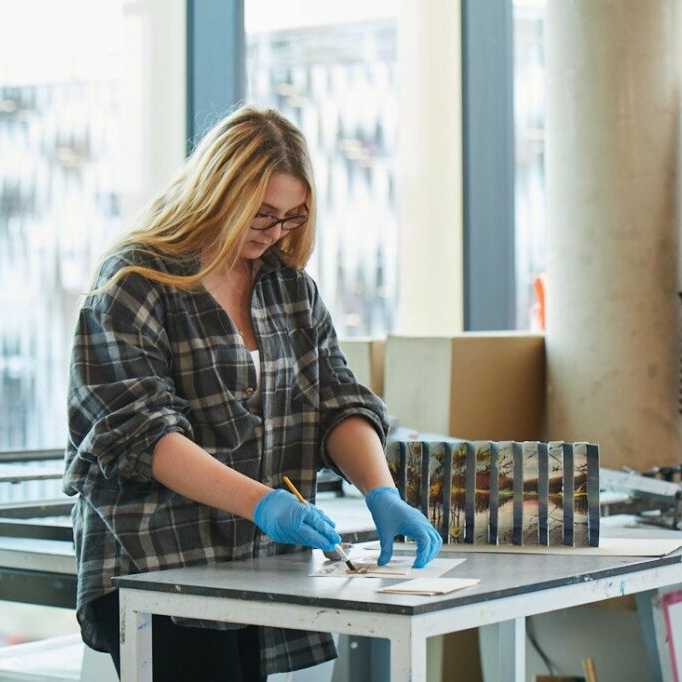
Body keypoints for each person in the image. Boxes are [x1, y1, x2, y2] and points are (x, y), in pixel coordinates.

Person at [63, 105, 442, 681]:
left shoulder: (288, 288)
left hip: (258, 566)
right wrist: (262, 503)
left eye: (292, 218)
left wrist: (381, 491)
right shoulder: (135, 284)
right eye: (262, 214)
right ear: (217, 192)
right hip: (160, 560)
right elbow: (142, 436)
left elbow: (336, 400)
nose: (275, 233)